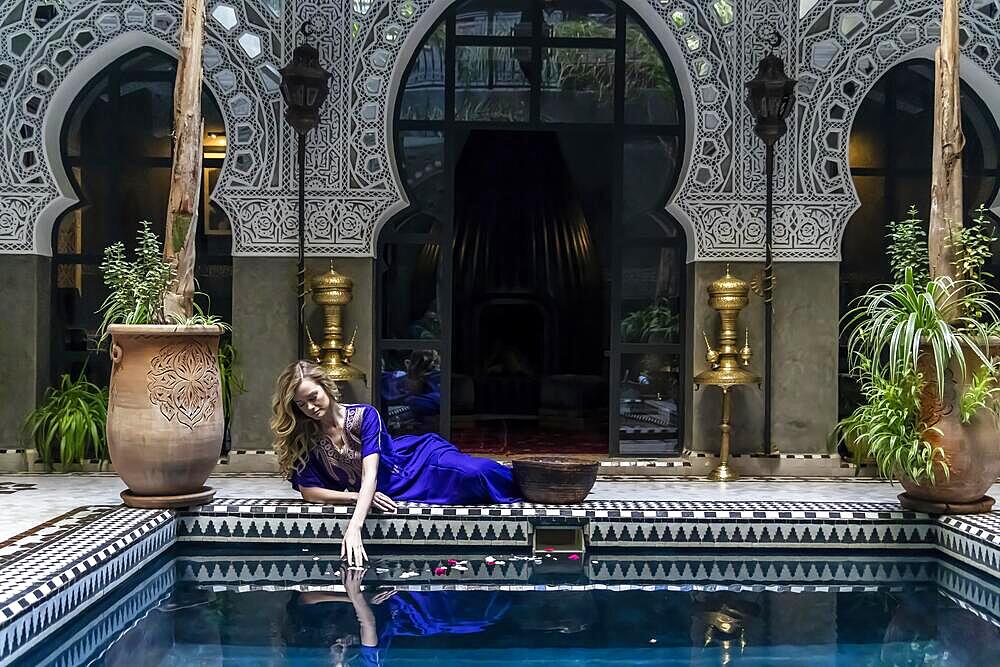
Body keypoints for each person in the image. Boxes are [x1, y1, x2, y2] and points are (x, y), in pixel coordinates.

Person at [271, 360, 522, 566]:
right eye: (301, 404)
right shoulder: (306, 437)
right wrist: (356, 497)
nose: (310, 408)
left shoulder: (364, 415)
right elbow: (309, 492)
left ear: (326, 386)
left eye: (313, 397)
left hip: (416, 463)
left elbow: (371, 476)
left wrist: (355, 527)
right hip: (386, 492)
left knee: (474, 473)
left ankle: (529, 480)